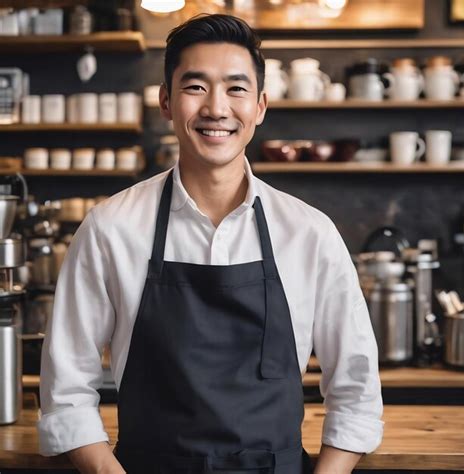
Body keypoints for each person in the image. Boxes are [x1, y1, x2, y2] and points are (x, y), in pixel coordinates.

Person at [38, 13, 384, 474]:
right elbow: (65, 395)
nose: (217, 108)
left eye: (236, 89)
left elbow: (357, 391)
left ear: (260, 106)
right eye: (195, 87)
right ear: (166, 101)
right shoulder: (109, 229)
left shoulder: (310, 234)